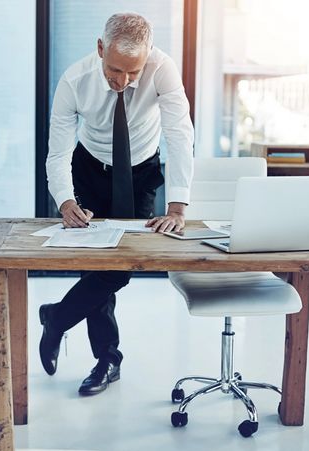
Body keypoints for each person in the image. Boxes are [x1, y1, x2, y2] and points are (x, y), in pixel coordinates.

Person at [40, 12, 194, 396]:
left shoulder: (162, 69)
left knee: (121, 267)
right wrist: (65, 200)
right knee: (98, 263)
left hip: (140, 170)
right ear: (99, 49)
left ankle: (56, 318)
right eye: (114, 70)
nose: (123, 81)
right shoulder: (74, 81)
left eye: (133, 72)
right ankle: (107, 359)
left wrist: (177, 206)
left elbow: (179, 134)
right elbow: (57, 152)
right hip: (90, 168)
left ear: (148, 57)